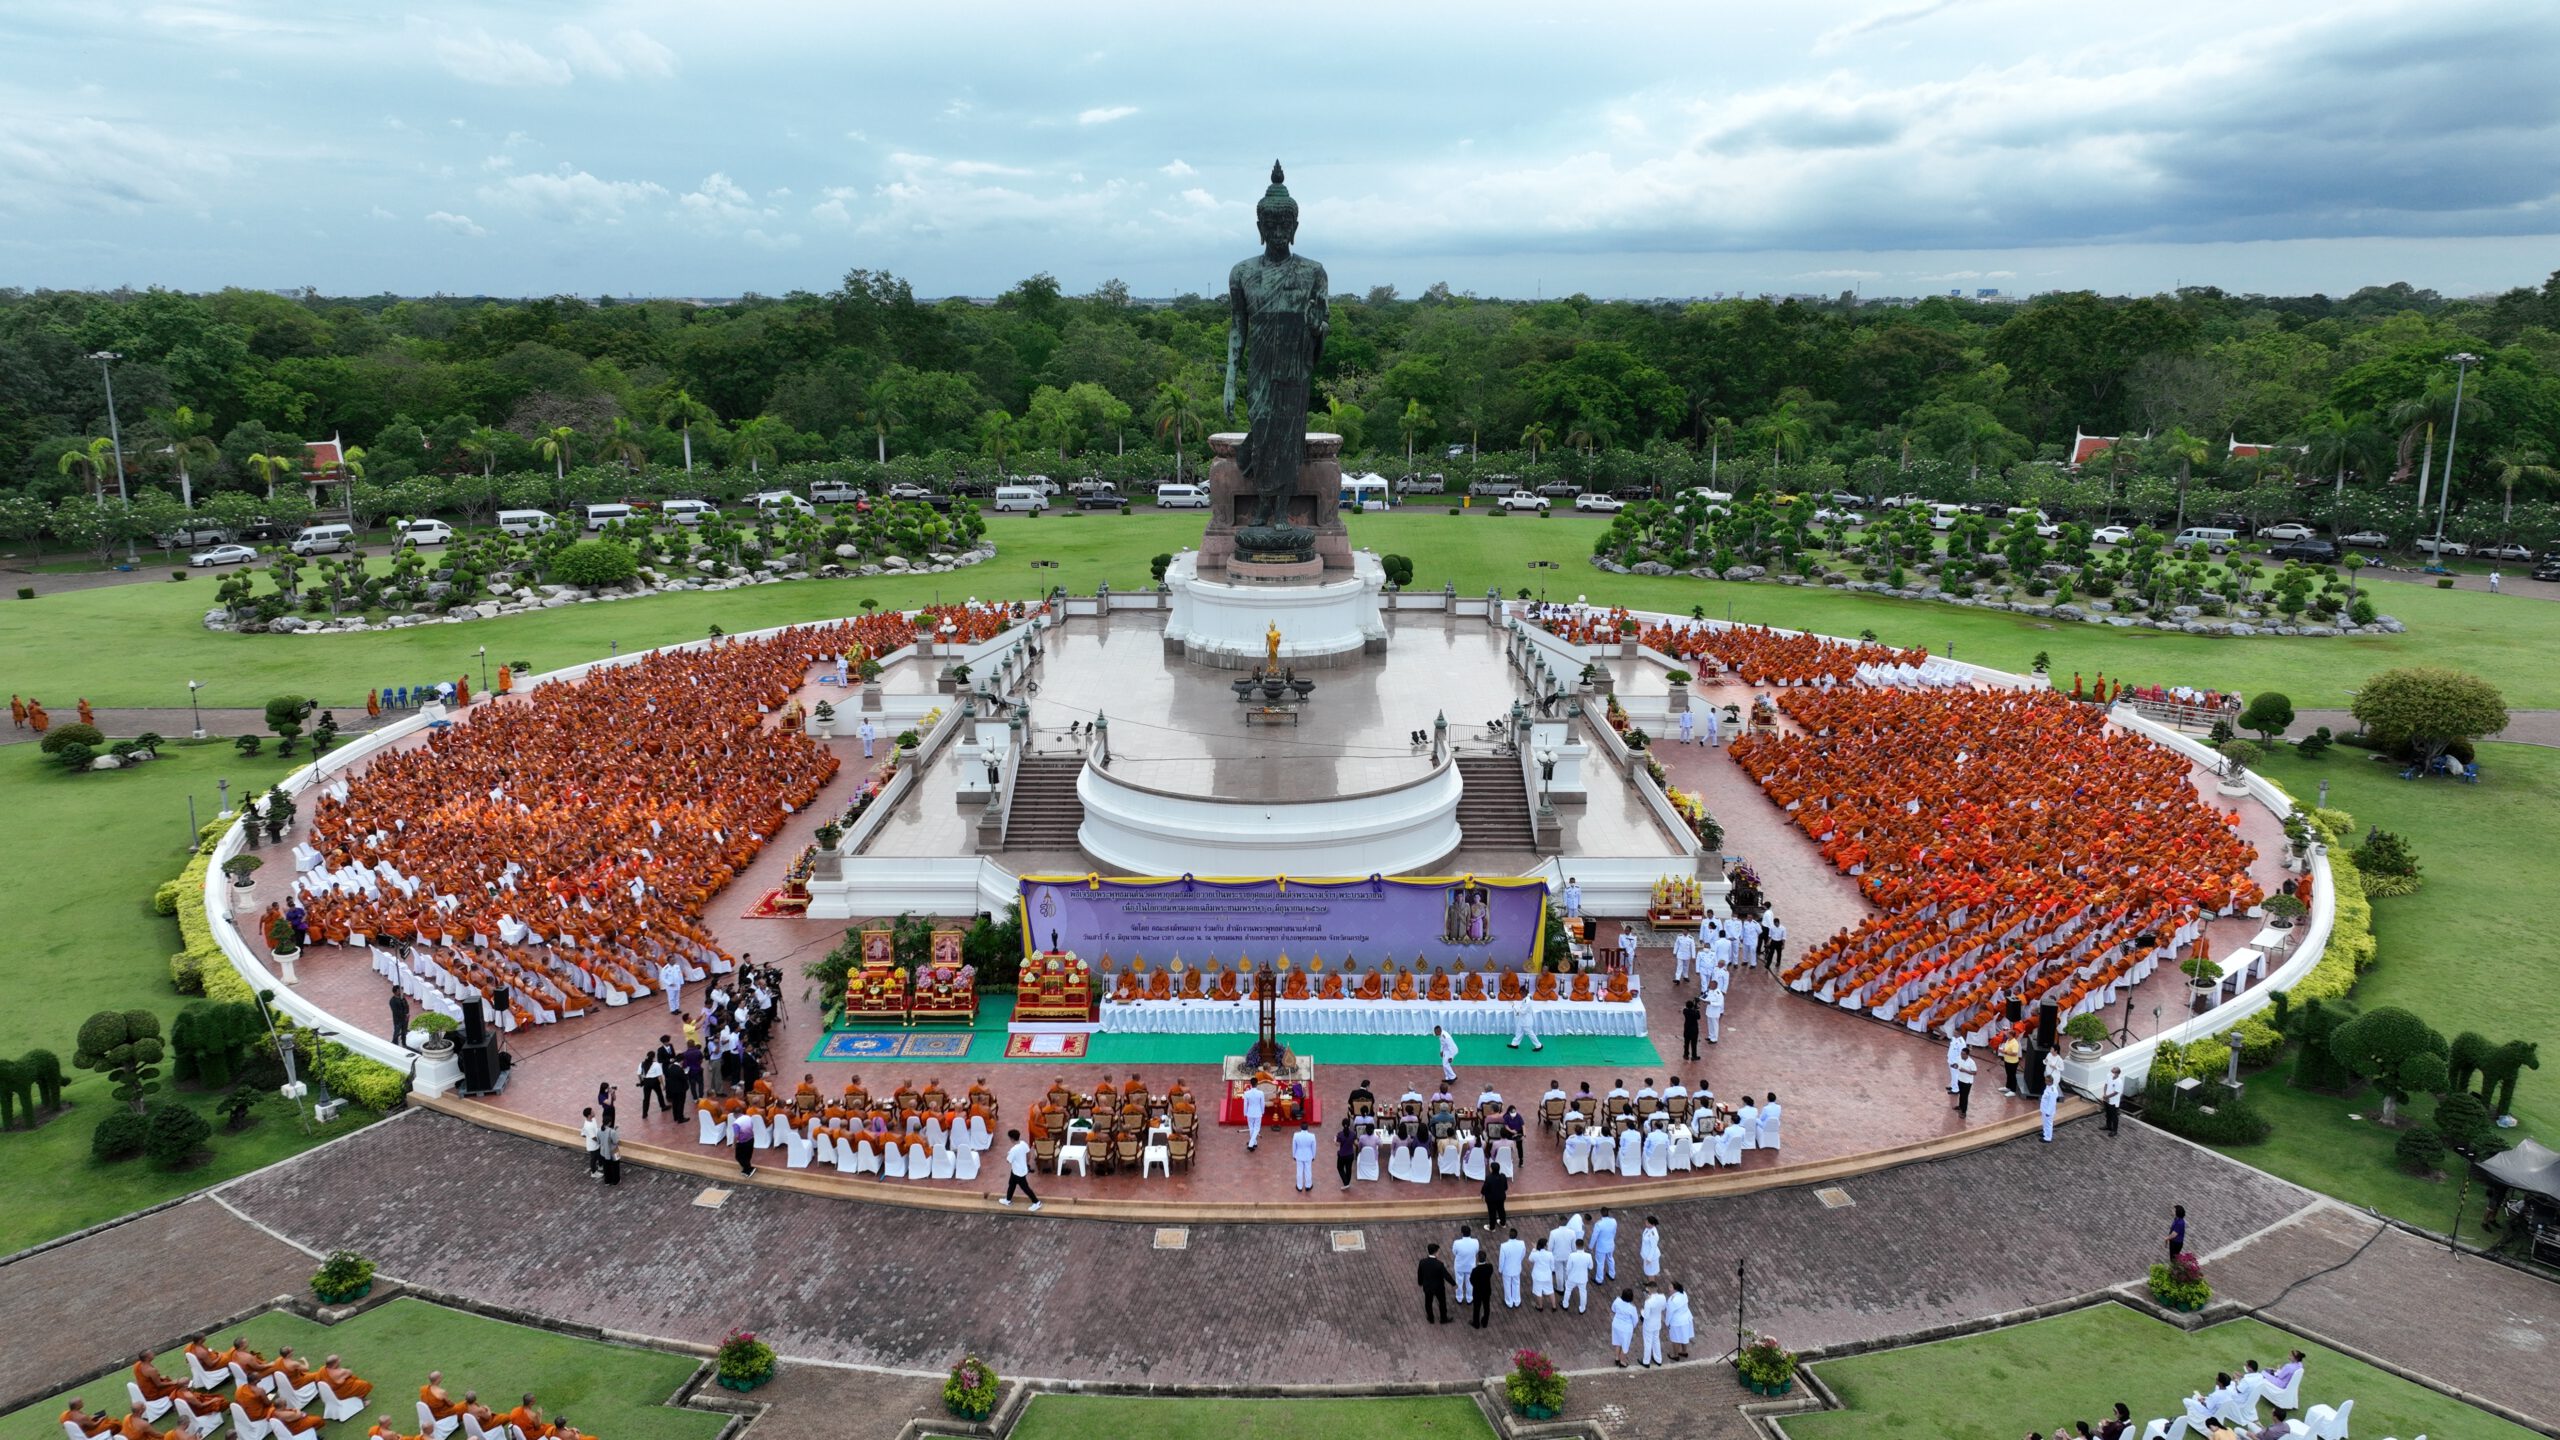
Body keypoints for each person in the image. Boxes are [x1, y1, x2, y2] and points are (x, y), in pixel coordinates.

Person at [1000, 1128, 1041, 1209]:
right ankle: (1008, 1200)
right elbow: (1028, 1153)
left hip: (1018, 1172)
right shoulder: (1023, 1143)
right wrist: (1026, 1163)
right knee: (1011, 1184)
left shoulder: (1013, 1150)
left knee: (1025, 1188)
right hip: (1018, 1170)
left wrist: (1008, 1154)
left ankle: (1036, 1202)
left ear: (1011, 1139)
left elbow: (1008, 1161)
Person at [1417, 1243, 1454, 1324]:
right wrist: (1453, 1284)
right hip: (1439, 1288)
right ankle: (1443, 1319)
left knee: (1428, 1303)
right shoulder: (1439, 1264)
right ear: (1436, 1252)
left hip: (1428, 1287)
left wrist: (1420, 1282)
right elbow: (1446, 1275)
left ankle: (1431, 1318)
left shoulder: (1422, 1262)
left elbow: (1420, 1273)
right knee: (1442, 1303)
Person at [1496, 1228, 1528, 1308]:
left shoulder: (1504, 1246)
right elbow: (1523, 1254)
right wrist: (1518, 1261)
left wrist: (1500, 1269)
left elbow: (1501, 1259)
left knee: (1507, 1285)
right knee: (1516, 1284)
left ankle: (1509, 1302)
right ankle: (1517, 1301)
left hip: (1507, 1270)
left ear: (1509, 1235)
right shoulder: (1522, 1243)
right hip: (1517, 1268)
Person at [1639, 1283, 1667, 1367]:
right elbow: (1663, 1308)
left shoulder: (1648, 1301)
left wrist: (1641, 1311)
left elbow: (1646, 1316)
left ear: (1649, 1290)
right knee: (1656, 1340)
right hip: (1657, 1323)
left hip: (1648, 1325)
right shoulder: (1663, 1297)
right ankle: (1658, 1359)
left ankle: (1646, 1361)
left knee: (1647, 1342)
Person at [1665, 1281, 1695, 1360]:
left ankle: (1675, 1355)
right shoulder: (1683, 1294)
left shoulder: (1672, 1300)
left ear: (1675, 1289)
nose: (1669, 1288)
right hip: (1686, 1319)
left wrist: (1667, 1323)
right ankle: (1684, 1352)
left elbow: (1669, 1313)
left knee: (1675, 1339)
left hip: (1677, 1322)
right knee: (1684, 1336)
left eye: (1670, 1287)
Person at [1609, 1289, 1639, 1367]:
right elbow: (1635, 1320)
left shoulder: (1617, 1300)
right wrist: (1633, 1326)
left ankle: (1617, 1358)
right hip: (1626, 1328)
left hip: (1616, 1324)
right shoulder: (1632, 1308)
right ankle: (1622, 1362)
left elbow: (1613, 1309)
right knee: (1625, 1345)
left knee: (1618, 1342)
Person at [1451, 1225, 1480, 1306]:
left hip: (1459, 1266)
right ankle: (1469, 1298)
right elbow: (1476, 1251)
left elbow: (1454, 1252)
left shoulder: (1457, 1243)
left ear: (1462, 1233)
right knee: (1470, 1283)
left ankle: (1459, 1297)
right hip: (1470, 1266)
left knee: (1459, 1282)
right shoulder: (1475, 1242)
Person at [1564, 1238, 1594, 1314]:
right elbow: (1591, 1267)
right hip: (1583, 1278)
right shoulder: (1588, 1256)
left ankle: (1565, 1304)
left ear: (1576, 1245)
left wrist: (1567, 1275)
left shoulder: (1572, 1255)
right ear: (1583, 1245)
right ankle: (1582, 1308)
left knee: (1568, 1290)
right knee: (1583, 1293)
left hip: (1572, 1277)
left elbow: (1568, 1268)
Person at [1468, 1247, 1495, 1328]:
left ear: (1477, 1259)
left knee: (1477, 1308)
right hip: (1487, 1290)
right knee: (1487, 1307)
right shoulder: (1490, 1267)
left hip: (1477, 1292)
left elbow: (1472, 1280)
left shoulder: (1475, 1270)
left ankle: (1476, 1324)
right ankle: (1485, 1322)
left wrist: (1476, 1286)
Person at [1591, 1207, 1619, 1283]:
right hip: (1610, 1245)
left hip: (1601, 1247)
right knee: (1610, 1258)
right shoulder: (1613, 1221)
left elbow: (1594, 1236)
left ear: (1601, 1213)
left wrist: (1591, 1246)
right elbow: (1614, 1231)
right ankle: (1612, 1274)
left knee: (1600, 1262)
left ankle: (1599, 1279)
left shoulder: (1599, 1224)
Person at [637, 1049, 666, 1121]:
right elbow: (659, 1076)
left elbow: (639, 1074)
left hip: (646, 1082)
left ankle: (644, 1113)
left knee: (646, 1098)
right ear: (654, 1057)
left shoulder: (642, 1063)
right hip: (654, 1081)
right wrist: (663, 1085)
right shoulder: (656, 1064)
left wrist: (641, 1081)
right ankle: (663, 1107)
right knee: (659, 1094)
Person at [1528, 1240, 1556, 1311]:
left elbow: (1530, 1259)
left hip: (1537, 1276)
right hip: (1547, 1276)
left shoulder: (1535, 1254)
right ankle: (1554, 1306)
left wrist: (1534, 1249)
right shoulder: (1550, 1254)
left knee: (1538, 1291)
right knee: (1550, 1290)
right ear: (1545, 1246)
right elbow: (1552, 1267)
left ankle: (1540, 1307)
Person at [1290, 1121, 1317, 1192]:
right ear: (1307, 1127)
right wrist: (1313, 1156)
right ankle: (1308, 1186)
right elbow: (1314, 1147)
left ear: (1300, 1127)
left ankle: (1299, 1186)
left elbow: (1294, 1146)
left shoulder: (1296, 1135)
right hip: (1308, 1155)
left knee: (1299, 1171)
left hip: (1299, 1155)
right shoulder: (1312, 1136)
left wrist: (1294, 1155)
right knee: (1308, 1171)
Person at [1241, 1078, 1268, 1150]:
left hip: (1249, 1112)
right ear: (1257, 1084)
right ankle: (1251, 1144)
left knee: (1251, 1128)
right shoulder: (1261, 1093)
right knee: (1256, 1128)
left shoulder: (1246, 1093)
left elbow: (1245, 1104)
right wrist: (1262, 1111)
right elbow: (1262, 1103)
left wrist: (1245, 1113)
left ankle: (1254, 1142)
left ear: (1250, 1084)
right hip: (1258, 1112)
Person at [1481, 1159, 1509, 1224]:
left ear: (1492, 1169)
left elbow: (1485, 1188)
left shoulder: (1489, 1178)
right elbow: (1505, 1187)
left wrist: (1482, 1194)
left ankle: (1492, 1227)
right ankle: (1503, 1223)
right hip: (1501, 1197)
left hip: (1491, 1199)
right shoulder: (1503, 1176)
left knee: (1492, 1212)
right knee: (1501, 1210)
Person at [730, 1109, 757, 1175]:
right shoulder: (748, 1117)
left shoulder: (736, 1123)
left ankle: (748, 1170)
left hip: (742, 1142)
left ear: (734, 1114)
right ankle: (748, 1168)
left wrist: (734, 1144)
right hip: (751, 1139)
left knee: (739, 1157)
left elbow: (736, 1135)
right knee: (747, 1155)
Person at [1953, 1048, 1978, 1117]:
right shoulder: (1959, 1058)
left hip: (1967, 1082)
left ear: (1967, 1054)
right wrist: (1954, 1066)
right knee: (1961, 1094)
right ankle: (1960, 1106)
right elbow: (1957, 1065)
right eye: (1961, 1053)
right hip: (1960, 1079)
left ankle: (1964, 1111)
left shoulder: (1971, 1062)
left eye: (1963, 1054)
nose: (1962, 1055)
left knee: (1965, 1096)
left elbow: (1974, 1072)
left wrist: (1965, 1071)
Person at [1335, 1117, 1357, 1189]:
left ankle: (1346, 1182)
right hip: (1350, 1155)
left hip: (1342, 1155)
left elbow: (1337, 1144)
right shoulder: (1353, 1134)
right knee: (1348, 1168)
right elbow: (1355, 1143)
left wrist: (1335, 1139)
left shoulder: (1340, 1134)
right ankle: (1347, 1182)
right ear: (1349, 1125)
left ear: (1342, 1125)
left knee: (1340, 1167)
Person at [2102, 1066, 2124, 1136]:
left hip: (2113, 1102)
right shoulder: (2109, 1076)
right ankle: (2108, 1126)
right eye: (2111, 1071)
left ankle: (2114, 1130)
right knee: (2108, 1114)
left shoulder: (2119, 1082)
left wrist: (2107, 1097)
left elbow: (2116, 1092)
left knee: (2114, 1116)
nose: (2111, 1072)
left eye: (2113, 1071)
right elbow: (2106, 1085)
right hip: (2107, 1099)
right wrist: (2105, 1095)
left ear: (2117, 1073)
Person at [2040, 1071, 2061, 1143]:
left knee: (2048, 1123)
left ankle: (2048, 1137)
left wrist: (2048, 1112)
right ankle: (2045, 1133)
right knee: (2044, 1122)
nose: (2045, 1082)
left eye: (2046, 1081)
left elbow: (2052, 1103)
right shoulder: (2048, 1087)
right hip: (2044, 1108)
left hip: (2048, 1111)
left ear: (2049, 1081)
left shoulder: (2052, 1091)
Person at [580, 1107, 602, 1175]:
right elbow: (593, 1137)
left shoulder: (593, 1119)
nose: (594, 1112)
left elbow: (584, 1133)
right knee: (593, 1159)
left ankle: (600, 1166)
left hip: (597, 1143)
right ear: (589, 1115)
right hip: (593, 1146)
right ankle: (593, 1172)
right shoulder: (588, 1126)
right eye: (592, 1112)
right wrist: (600, 1141)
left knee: (599, 1155)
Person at [1681, 996, 1702, 1061]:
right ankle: (1694, 1056)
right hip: (1694, 1030)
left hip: (1687, 1029)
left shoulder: (1685, 1011)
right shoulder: (1695, 1012)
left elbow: (1686, 1008)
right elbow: (1698, 1017)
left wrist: (1693, 1006)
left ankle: (1686, 1055)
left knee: (1686, 1043)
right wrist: (1697, 1009)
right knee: (1694, 1044)